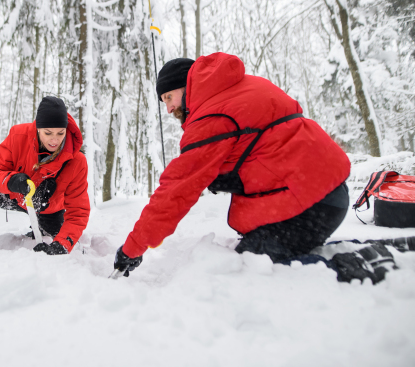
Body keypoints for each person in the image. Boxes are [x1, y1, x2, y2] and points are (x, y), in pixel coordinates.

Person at [113, 52, 405, 283]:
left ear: (185, 86)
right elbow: (266, 146)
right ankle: (358, 250)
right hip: (323, 192)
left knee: (252, 262)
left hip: (310, 204)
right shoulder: (240, 87)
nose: (168, 108)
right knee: (257, 245)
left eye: (168, 97)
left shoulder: (211, 117)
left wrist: (132, 249)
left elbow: (174, 193)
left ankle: (352, 264)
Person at [0, 96, 90, 255]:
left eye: (60, 133)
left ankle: (45, 232)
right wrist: (11, 181)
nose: (54, 140)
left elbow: (78, 212)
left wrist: (62, 245)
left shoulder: (77, 161)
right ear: (38, 128)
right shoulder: (18, 136)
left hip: (49, 210)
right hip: (14, 195)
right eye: (48, 133)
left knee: (59, 243)